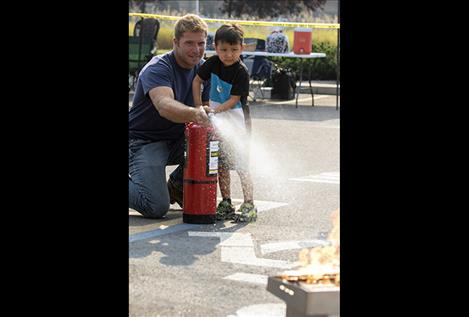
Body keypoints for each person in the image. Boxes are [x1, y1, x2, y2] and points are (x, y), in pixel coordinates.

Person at [129, 14, 212, 218]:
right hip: (143, 141)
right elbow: (164, 106)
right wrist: (195, 113)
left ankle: (176, 185)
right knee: (155, 206)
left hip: (176, 140)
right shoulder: (158, 68)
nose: (196, 50)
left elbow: (208, 109)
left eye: (201, 43)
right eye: (189, 43)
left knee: (220, 145)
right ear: (175, 42)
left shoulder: (204, 70)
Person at [192, 24, 258, 223]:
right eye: (223, 50)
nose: (228, 55)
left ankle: (249, 204)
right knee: (220, 164)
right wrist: (198, 107)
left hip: (237, 124)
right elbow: (197, 81)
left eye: (234, 50)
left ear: (242, 48)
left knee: (241, 166)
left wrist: (213, 110)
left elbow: (233, 99)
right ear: (215, 47)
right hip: (217, 122)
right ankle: (226, 202)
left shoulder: (241, 72)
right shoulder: (212, 63)